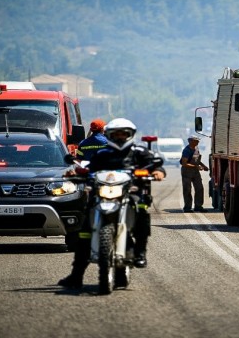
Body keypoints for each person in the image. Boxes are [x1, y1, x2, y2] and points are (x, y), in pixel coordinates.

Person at [58, 118, 166, 289]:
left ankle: (139, 253)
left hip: (130, 193)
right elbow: (89, 170)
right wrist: (76, 174)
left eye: (123, 134)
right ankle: (76, 275)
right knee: (85, 231)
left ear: (130, 135)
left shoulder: (138, 152)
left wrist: (158, 172)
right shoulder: (103, 154)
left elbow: (155, 165)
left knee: (141, 210)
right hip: (103, 193)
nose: (120, 137)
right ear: (108, 135)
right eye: (116, 134)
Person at [180, 135, 208, 213]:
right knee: (187, 189)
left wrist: (203, 166)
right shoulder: (186, 150)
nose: (198, 142)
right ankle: (187, 207)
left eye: (198, 141)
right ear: (190, 141)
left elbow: (196, 160)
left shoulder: (196, 149)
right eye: (196, 140)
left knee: (199, 188)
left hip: (195, 171)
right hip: (187, 172)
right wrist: (196, 166)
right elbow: (184, 163)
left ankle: (198, 206)